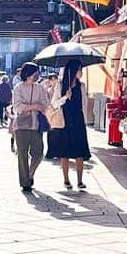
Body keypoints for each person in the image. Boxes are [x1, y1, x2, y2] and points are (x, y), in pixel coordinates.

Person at [46, 59, 91, 190]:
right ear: (72, 71)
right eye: (79, 69)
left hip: (78, 120)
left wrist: (85, 120)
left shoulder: (81, 86)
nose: (81, 72)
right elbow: (54, 104)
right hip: (64, 121)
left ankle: (80, 180)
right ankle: (66, 180)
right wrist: (65, 97)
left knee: (80, 152)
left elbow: (84, 104)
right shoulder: (60, 86)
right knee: (64, 152)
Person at [11, 62, 50, 192]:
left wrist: (35, 106)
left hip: (36, 125)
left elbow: (45, 105)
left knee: (38, 153)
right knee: (22, 155)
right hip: (21, 126)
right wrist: (35, 106)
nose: (37, 75)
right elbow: (17, 107)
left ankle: (30, 175)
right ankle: (25, 183)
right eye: (35, 73)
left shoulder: (39, 88)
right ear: (28, 73)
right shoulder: (18, 88)